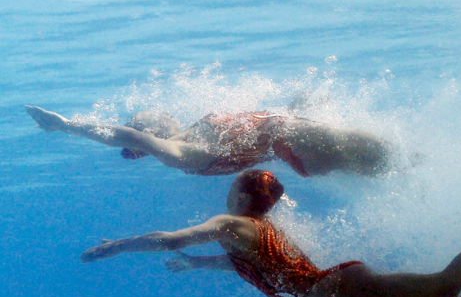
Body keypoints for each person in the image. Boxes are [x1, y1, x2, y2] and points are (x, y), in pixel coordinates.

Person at [80, 170, 461, 297]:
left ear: (240, 195)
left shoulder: (231, 221)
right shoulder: (248, 235)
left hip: (333, 294)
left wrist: (118, 246)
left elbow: (170, 236)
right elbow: (247, 266)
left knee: (445, 289)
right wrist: (196, 266)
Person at [25, 105, 391, 177]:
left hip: (292, 140)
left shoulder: (192, 131)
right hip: (294, 141)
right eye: (139, 123)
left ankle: (413, 169)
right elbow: (130, 135)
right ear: (149, 133)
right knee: (386, 156)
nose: (143, 116)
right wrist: (66, 126)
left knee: (383, 158)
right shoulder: (179, 153)